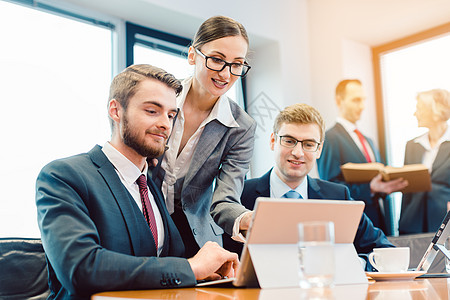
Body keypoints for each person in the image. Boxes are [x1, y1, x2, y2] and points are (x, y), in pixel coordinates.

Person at [35, 64, 239, 300]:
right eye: (152, 111)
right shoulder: (63, 176)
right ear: (116, 110)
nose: (165, 124)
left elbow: (159, 260)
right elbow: (81, 268)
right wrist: (191, 268)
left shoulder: (150, 182)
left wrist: (198, 275)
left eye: (171, 115)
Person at [224, 103, 394, 270]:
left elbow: (383, 250)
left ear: (319, 150)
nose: (298, 152)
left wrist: (354, 263)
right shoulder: (238, 196)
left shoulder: (337, 196)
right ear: (273, 141)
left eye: (309, 144)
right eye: (289, 141)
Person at [151, 16, 256, 257]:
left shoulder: (241, 127)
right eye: (217, 60)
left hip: (193, 232)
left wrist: (244, 217)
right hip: (144, 217)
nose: (225, 74)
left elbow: (225, 197)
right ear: (192, 55)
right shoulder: (160, 98)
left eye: (236, 64)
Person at [317, 79, 408, 233]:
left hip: (379, 223)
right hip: (354, 226)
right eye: (356, 100)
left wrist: (385, 187)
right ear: (339, 101)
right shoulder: (330, 138)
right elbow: (330, 188)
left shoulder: (368, 141)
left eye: (363, 100)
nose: (362, 106)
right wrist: (370, 188)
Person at [399, 89, 450, 234]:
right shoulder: (412, 146)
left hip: (444, 223)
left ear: (436, 111)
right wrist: (401, 223)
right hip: (413, 224)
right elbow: (406, 192)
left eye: (419, 109)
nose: (415, 114)